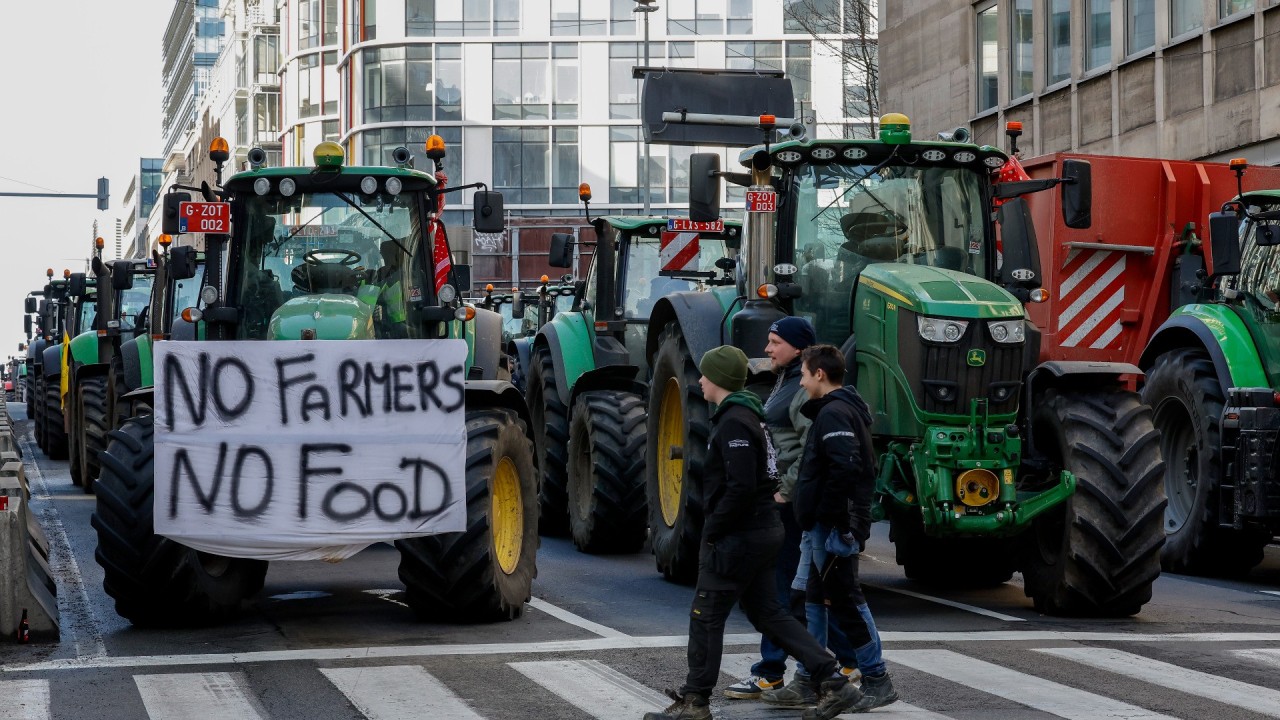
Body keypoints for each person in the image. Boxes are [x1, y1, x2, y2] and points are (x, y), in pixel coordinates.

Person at [644, 345, 863, 720]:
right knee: (770, 615)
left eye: (705, 374)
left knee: (706, 616)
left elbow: (742, 485)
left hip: (739, 536)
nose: (700, 380)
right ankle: (834, 681)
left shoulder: (735, 422)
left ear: (719, 380)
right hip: (762, 530)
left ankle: (695, 702)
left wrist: (712, 529)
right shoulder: (748, 416)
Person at [726, 317, 858, 703]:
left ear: (797, 348)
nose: (767, 349)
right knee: (806, 591)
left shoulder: (800, 392)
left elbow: (807, 449)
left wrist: (783, 492)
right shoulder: (785, 382)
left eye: (774, 343)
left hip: (791, 504)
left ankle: (770, 672)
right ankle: (846, 660)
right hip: (788, 500)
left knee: (780, 590)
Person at [792, 344, 898, 717]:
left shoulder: (835, 414)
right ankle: (811, 679)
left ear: (820, 374)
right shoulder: (839, 410)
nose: (802, 382)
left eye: (804, 374)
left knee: (847, 600)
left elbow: (844, 470)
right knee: (813, 599)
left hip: (833, 527)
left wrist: (832, 521)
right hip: (828, 524)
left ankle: (876, 678)